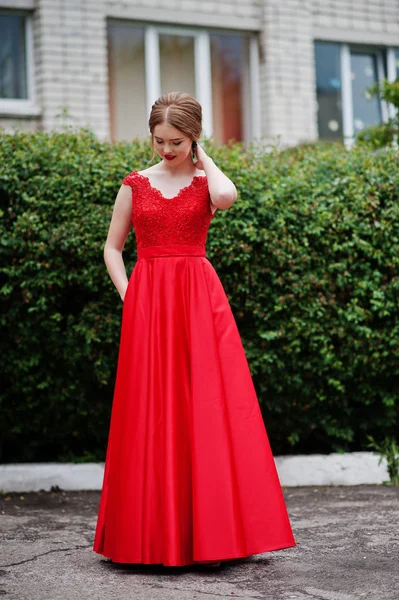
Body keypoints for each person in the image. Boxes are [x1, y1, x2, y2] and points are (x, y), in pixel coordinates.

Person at [93, 91, 296, 568]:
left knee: (207, 406)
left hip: (199, 301)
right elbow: (112, 248)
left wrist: (203, 158)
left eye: (177, 141)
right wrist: (129, 294)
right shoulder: (135, 183)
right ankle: (150, 536)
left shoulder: (208, 181)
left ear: (194, 138)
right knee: (151, 409)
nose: (166, 150)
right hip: (149, 303)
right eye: (160, 140)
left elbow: (227, 198)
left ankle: (212, 535)